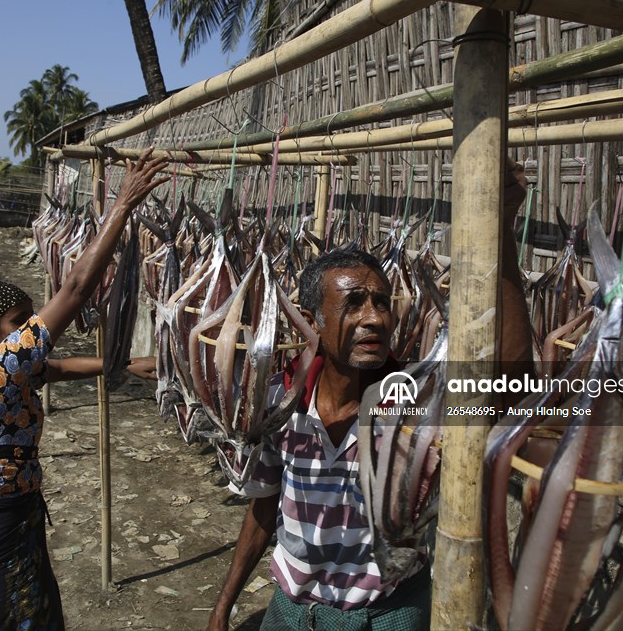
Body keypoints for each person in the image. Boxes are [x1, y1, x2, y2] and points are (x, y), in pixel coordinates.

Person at [207, 162, 534, 631]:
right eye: (354, 302)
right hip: (292, 612)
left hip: (388, 616)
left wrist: (501, 235)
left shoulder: (417, 402)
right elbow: (264, 506)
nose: (374, 318)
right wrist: (224, 605)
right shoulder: (281, 401)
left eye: (382, 302)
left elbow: (510, 385)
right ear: (311, 319)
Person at [0, 148, 168, 630]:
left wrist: (121, 363)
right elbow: (77, 289)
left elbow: (55, 368)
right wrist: (121, 205)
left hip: (5, 524)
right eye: (19, 323)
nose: (28, 332)